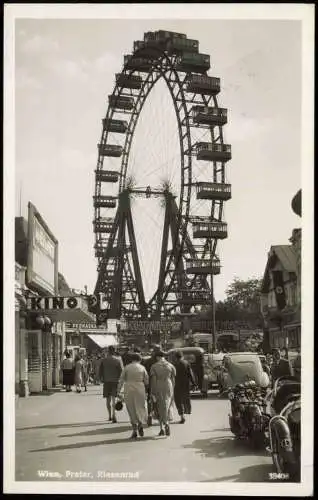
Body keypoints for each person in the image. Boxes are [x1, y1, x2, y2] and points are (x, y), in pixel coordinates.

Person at [117, 352, 149, 439]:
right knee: (140, 407)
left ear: (132, 359)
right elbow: (146, 381)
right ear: (139, 359)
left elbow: (121, 380)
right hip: (140, 388)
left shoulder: (127, 367)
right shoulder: (142, 368)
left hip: (129, 389)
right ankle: (140, 423)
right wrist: (147, 390)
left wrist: (118, 391)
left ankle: (134, 430)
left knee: (131, 409)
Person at [150, 350, 176, 437]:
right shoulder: (171, 365)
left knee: (159, 406)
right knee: (168, 405)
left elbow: (153, 380)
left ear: (157, 357)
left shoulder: (154, 366)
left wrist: (152, 391)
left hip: (159, 385)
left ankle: (163, 426)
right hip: (168, 385)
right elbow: (173, 379)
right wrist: (172, 388)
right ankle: (166, 424)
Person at [99, 345, 123, 423]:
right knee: (114, 399)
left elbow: (100, 371)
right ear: (114, 351)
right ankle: (114, 415)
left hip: (106, 381)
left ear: (108, 351)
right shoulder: (118, 360)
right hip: (115, 381)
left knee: (108, 400)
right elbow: (121, 371)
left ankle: (109, 416)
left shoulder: (104, 360)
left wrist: (101, 379)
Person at [172, 350, 196, 424]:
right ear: (182, 356)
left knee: (178, 401)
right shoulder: (186, 363)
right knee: (185, 398)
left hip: (176, 385)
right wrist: (194, 384)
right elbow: (191, 374)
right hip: (185, 384)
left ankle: (182, 416)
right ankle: (186, 411)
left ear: (176, 357)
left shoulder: (173, 364)